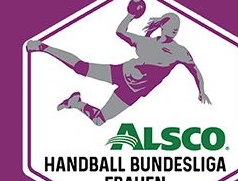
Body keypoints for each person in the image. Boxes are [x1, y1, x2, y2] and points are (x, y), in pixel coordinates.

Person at [27, 9, 209, 126]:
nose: (175, 28)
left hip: (133, 91)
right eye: (172, 25)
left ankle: (75, 102)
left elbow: (195, 71)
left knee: (99, 120)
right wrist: (130, 15)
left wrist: (201, 91)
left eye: (178, 26)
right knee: (81, 68)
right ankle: (43, 47)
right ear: (162, 25)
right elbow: (120, 32)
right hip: (121, 72)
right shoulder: (144, 42)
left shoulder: (180, 52)